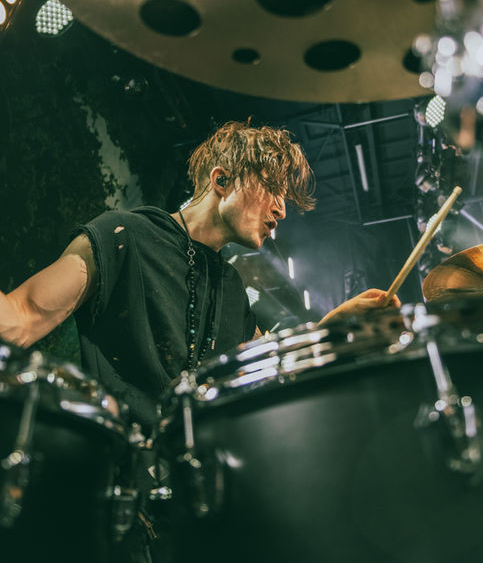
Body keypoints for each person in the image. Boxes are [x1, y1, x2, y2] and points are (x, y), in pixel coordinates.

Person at [0, 120, 399, 561]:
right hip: (112, 503)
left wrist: (332, 328)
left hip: (193, 517)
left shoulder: (232, 290)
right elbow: (21, 316)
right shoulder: (123, 236)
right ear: (221, 180)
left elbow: (266, 374)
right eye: (273, 189)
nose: (282, 210)